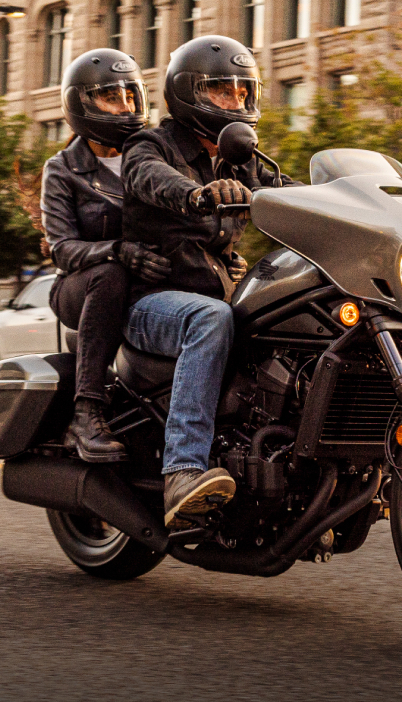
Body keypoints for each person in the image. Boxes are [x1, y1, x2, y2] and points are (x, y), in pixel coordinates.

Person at [122, 35, 297, 528]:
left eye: (245, 91)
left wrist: (358, 202)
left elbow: (290, 193)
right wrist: (198, 195)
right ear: (189, 93)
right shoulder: (148, 145)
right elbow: (151, 178)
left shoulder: (242, 159)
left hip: (216, 295)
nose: (238, 102)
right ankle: (182, 470)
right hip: (152, 304)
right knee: (211, 317)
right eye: (224, 90)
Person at [43, 48, 172, 463]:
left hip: (148, 281)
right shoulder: (63, 169)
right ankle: (86, 411)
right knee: (110, 274)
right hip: (81, 287)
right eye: (111, 97)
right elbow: (62, 249)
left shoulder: (154, 154)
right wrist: (118, 251)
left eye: (132, 96)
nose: (126, 106)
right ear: (81, 103)